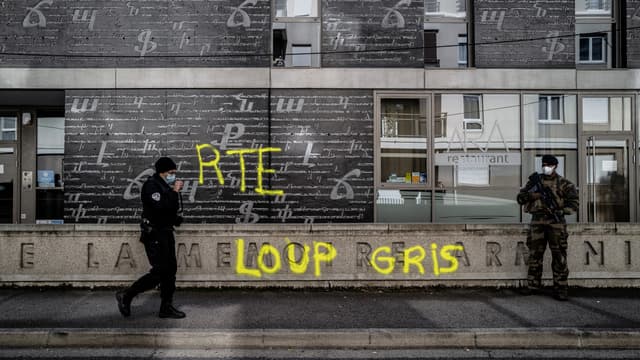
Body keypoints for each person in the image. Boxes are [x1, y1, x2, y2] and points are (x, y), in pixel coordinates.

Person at [116, 157, 186, 318]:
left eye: (174, 172)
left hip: (166, 233)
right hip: (155, 235)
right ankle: (126, 295)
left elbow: (167, 211)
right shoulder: (151, 186)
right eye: (171, 172)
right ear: (162, 171)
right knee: (160, 272)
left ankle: (166, 307)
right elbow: (160, 208)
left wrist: (175, 219)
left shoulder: (163, 186)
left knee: (170, 271)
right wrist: (175, 191)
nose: (173, 175)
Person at [517, 155, 579, 301]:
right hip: (537, 222)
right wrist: (534, 195)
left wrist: (562, 211)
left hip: (556, 224)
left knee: (559, 257)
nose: (546, 167)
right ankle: (533, 286)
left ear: (555, 166)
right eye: (544, 165)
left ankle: (561, 288)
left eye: (549, 165)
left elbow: (574, 203)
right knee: (535, 256)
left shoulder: (565, 184)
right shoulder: (534, 182)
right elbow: (520, 198)